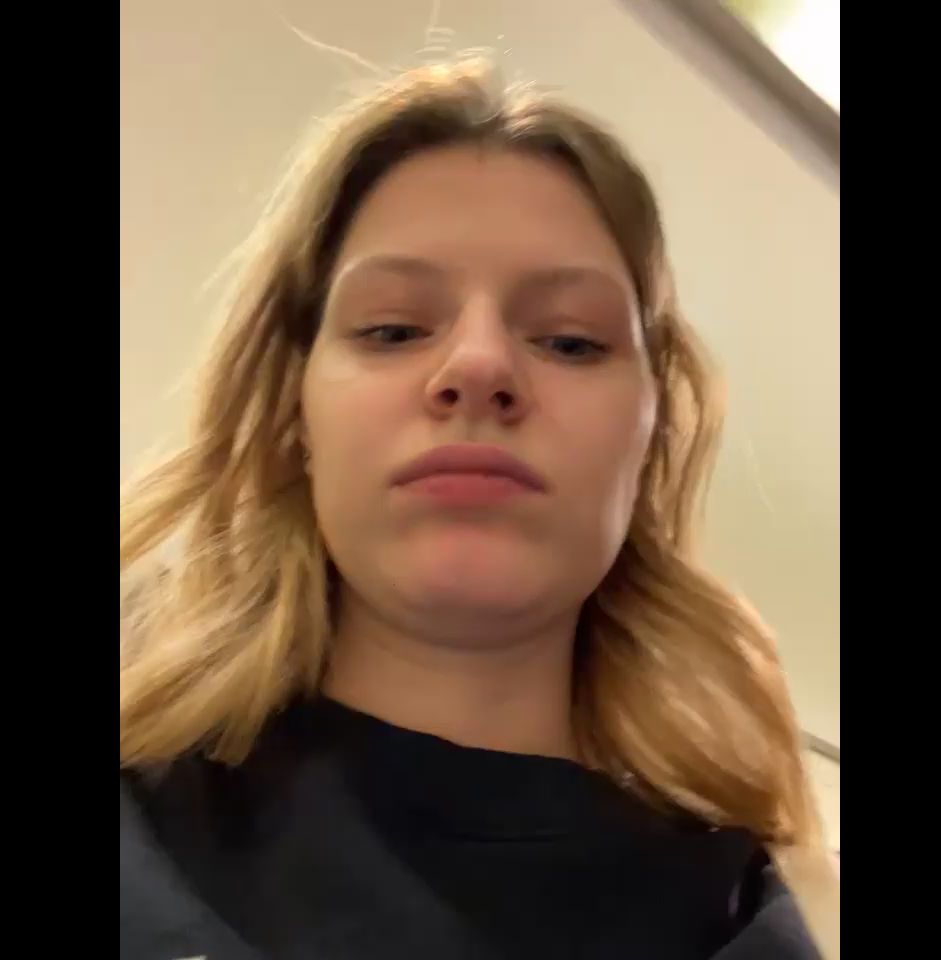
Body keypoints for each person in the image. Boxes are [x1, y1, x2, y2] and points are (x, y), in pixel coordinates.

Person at [120, 59, 839, 960]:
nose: (479, 366)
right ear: (295, 409)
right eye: (392, 329)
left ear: (650, 438)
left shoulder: (746, 918)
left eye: (570, 341)